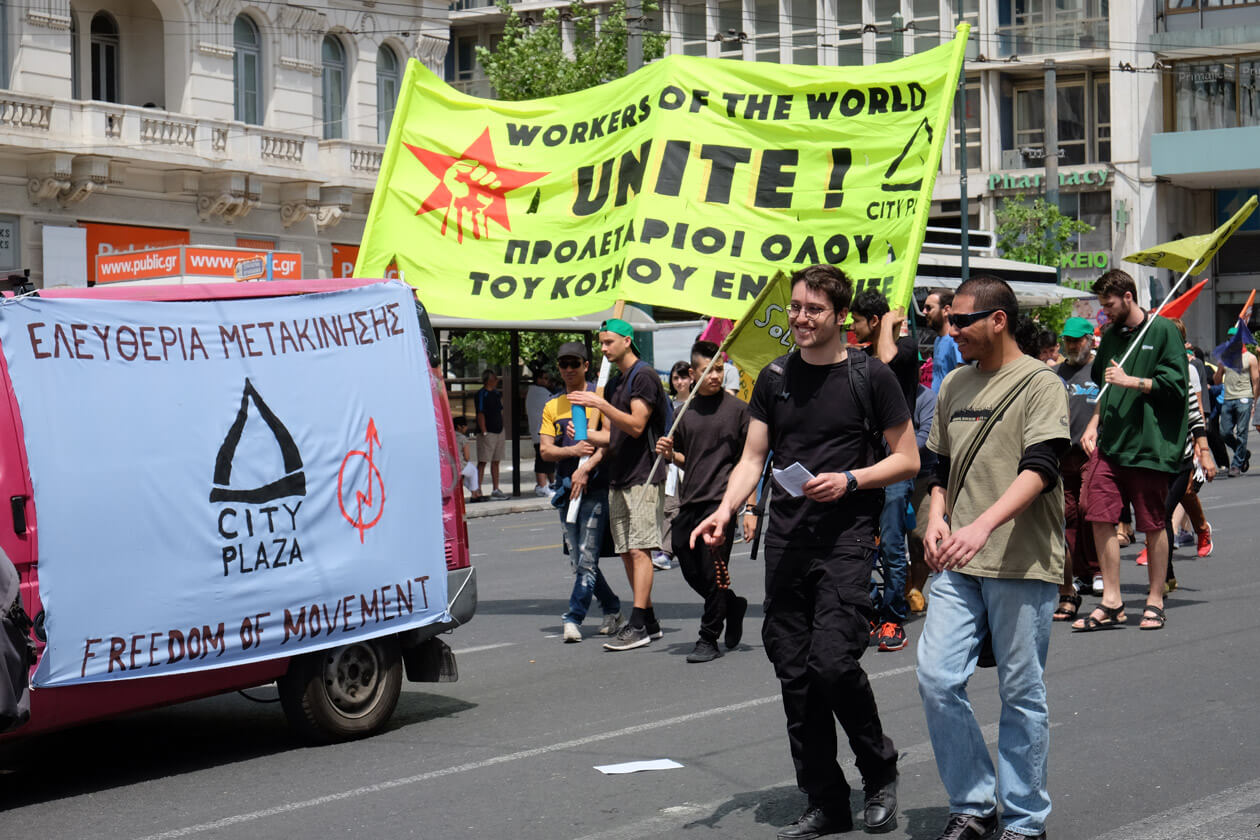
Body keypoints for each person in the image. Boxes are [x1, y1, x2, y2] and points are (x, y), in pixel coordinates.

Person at [691, 264, 918, 838]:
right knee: (795, 674)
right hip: (787, 542)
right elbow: (752, 459)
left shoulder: (871, 378)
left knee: (834, 663)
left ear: (841, 316)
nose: (800, 317)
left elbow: (907, 459)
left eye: (813, 309)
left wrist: (851, 480)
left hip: (844, 541)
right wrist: (724, 510)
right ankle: (825, 799)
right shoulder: (773, 377)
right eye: (795, 307)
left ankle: (879, 769)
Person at [918, 274, 1069, 840]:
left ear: (998, 319)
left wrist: (982, 524)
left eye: (961, 320)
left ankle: (1026, 822)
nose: (950, 329)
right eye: (949, 320)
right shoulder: (953, 382)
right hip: (958, 561)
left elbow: (1044, 465)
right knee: (936, 678)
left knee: (1021, 693)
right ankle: (975, 803)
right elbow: (937, 465)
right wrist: (938, 515)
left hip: (1020, 561)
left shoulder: (1039, 383)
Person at [1074, 269, 1188, 633]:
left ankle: (1155, 599)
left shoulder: (1164, 331)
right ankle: (1111, 600)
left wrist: (1132, 381)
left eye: (1108, 305)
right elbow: (1104, 390)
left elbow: (1177, 387)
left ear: (1128, 296)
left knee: (1153, 524)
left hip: (1149, 447)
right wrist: (1093, 424)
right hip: (1111, 444)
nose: (1105, 312)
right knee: (1098, 513)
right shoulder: (1109, 337)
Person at [569, 318, 670, 652]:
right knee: (627, 550)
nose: (603, 349)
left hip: (644, 475)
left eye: (608, 342)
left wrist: (601, 405)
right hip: (619, 476)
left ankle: (638, 623)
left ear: (627, 341)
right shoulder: (616, 383)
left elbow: (638, 425)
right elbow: (614, 436)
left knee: (641, 549)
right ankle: (649, 620)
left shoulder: (643, 376)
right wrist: (582, 434)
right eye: (601, 343)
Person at [655, 341, 749, 664]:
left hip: (721, 503)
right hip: (690, 501)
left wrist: (748, 507)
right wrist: (670, 453)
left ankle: (708, 637)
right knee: (687, 560)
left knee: (714, 570)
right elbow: (685, 457)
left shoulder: (738, 411)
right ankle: (732, 604)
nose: (715, 376)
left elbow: (751, 461)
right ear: (694, 373)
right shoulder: (685, 412)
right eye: (709, 370)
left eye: (720, 369)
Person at [539, 342, 623, 643]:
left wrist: (586, 468)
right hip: (566, 490)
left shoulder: (599, 399)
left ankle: (573, 616)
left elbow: (611, 442)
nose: (569, 369)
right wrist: (572, 451)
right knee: (579, 561)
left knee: (587, 558)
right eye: (564, 364)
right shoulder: (553, 405)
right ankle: (612, 607)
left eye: (575, 363)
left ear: (586, 365)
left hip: (595, 489)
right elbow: (546, 450)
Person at [850, 289, 919, 653]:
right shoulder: (859, 357)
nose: (852, 327)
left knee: (892, 545)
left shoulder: (905, 349)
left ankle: (893, 615)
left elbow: (889, 355)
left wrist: (891, 324)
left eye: (858, 321)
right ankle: (870, 609)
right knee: (861, 542)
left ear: (875, 321)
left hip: (896, 463)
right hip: (865, 463)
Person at [1051, 317, 1100, 621]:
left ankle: (1097, 570)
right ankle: (1077, 574)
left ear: (1090, 340)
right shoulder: (1056, 373)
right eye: (1067, 340)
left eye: (1077, 340)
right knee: (1067, 515)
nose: (1071, 345)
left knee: (1088, 509)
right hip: (1062, 455)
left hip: (1093, 452)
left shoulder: (1100, 370)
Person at [656, 360, 695, 571]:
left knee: (691, 506)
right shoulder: (668, 404)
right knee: (670, 506)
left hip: (693, 461)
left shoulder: (698, 402)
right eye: (676, 378)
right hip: (671, 462)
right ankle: (666, 551)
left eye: (683, 377)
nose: (680, 382)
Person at [905, 381, 937, 614]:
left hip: (922, 475)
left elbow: (926, 436)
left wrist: (896, 450)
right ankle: (901, 587)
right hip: (886, 477)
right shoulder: (882, 390)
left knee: (921, 537)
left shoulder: (927, 398)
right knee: (889, 542)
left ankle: (916, 589)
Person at [1213, 329, 1258, 477]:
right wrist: (1220, 367)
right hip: (1228, 398)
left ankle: (1236, 465)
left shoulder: (1250, 358)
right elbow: (1217, 380)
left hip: (1244, 397)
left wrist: (1255, 400)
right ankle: (1243, 453)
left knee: (1242, 433)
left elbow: (1255, 380)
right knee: (1224, 432)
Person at [476, 369, 508, 500]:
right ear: (489, 380)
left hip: (499, 430)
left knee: (496, 460)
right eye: (495, 378)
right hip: (488, 431)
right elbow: (480, 413)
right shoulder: (481, 394)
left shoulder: (496, 393)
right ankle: (477, 488)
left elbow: (499, 411)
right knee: (483, 460)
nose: (497, 380)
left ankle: (496, 488)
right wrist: (483, 430)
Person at [924, 289, 963, 393]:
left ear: (946, 310)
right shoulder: (938, 340)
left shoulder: (955, 341)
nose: (924, 312)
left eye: (929, 308)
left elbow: (962, 378)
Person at [526, 370, 557, 497]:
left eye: (547, 379)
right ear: (537, 379)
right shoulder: (540, 392)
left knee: (548, 459)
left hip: (539, 431)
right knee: (542, 459)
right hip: (541, 431)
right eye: (543, 378)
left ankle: (549, 483)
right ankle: (542, 486)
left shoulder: (533, 392)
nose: (546, 381)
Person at [452, 415, 482, 503]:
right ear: (459, 427)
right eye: (465, 426)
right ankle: (474, 494)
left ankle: (474, 492)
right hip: (458, 465)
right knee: (473, 471)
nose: (466, 428)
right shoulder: (463, 438)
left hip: (447, 464)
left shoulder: (448, 435)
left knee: (465, 476)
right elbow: (467, 457)